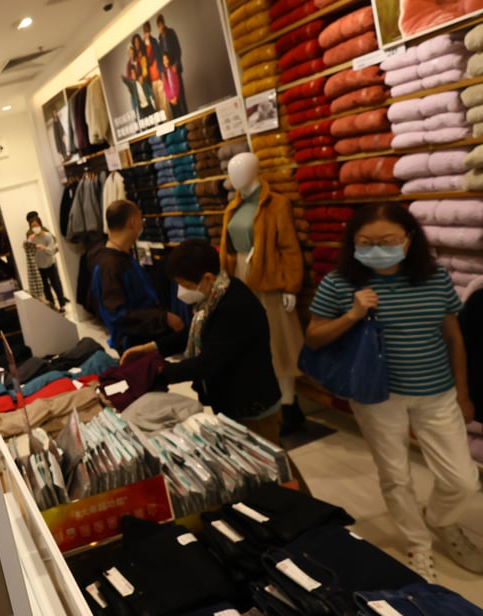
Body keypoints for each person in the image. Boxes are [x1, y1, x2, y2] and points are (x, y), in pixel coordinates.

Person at [305, 203, 482, 582]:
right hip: (376, 396)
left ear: (409, 239)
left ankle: (440, 520)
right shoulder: (339, 283)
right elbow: (314, 337)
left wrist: (463, 393)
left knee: (462, 480)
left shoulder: (435, 278)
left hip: (437, 393)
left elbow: (454, 338)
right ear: (352, 242)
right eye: (365, 242)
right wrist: (352, 314)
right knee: (395, 475)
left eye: (387, 241)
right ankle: (418, 544)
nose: (376, 249)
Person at [119, 239, 286, 442]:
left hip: (252, 408)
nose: (180, 291)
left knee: (266, 457)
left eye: (184, 285)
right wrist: (151, 348)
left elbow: (208, 363)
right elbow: (194, 333)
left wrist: (157, 371)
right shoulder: (214, 297)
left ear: (207, 278)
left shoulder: (234, 306)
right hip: (231, 403)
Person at [221, 153, 307, 435]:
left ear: (254, 170)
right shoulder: (233, 206)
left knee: (279, 340)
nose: (234, 176)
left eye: (239, 169)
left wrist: (290, 285)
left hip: (269, 277)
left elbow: (289, 246)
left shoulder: (276, 204)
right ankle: (273, 404)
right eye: (231, 171)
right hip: (240, 277)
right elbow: (229, 246)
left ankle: (290, 405)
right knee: (255, 343)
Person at [88, 200, 183, 353]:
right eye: (140, 218)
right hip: (135, 342)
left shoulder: (122, 255)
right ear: (132, 222)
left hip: (147, 333)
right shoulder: (110, 265)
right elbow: (117, 315)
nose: (142, 223)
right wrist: (163, 317)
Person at [26, 212, 69, 311]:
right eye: (32, 227)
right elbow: (30, 251)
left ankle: (62, 305)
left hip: (50, 264)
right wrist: (26, 247)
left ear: (40, 225)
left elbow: (51, 250)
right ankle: (52, 306)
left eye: (36, 226)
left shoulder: (48, 236)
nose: (35, 228)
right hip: (39, 266)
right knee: (45, 288)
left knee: (56, 284)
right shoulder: (31, 238)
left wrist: (44, 248)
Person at [157, 14, 187, 112]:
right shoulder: (160, 39)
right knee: (171, 99)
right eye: (159, 26)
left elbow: (178, 49)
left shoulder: (171, 33)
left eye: (161, 24)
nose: (161, 27)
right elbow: (161, 57)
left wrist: (176, 64)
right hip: (167, 71)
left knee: (180, 96)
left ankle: (185, 113)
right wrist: (163, 70)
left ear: (164, 23)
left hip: (175, 68)